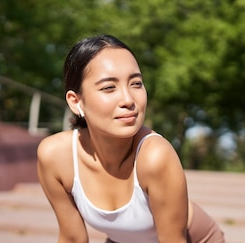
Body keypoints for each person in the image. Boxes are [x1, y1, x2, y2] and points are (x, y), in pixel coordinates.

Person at [36, 34, 225, 243]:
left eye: (136, 83)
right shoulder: (55, 157)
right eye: (109, 87)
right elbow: (72, 238)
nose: (128, 99)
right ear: (75, 101)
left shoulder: (155, 156)